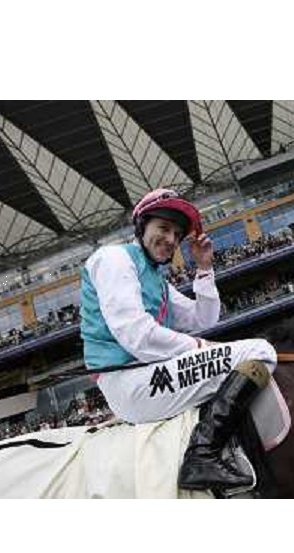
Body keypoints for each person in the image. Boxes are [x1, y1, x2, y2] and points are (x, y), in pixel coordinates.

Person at [80, 189, 277, 492]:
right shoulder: (114, 258)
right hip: (130, 381)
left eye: (177, 234)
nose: (171, 239)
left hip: (148, 375)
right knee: (260, 351)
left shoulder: (157, 280)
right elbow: (137, 334)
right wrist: (199, 346)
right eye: (163, 228)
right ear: (141, 226)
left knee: (250, 350)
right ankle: (201, 456)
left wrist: (205, 268)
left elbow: (204, 319)